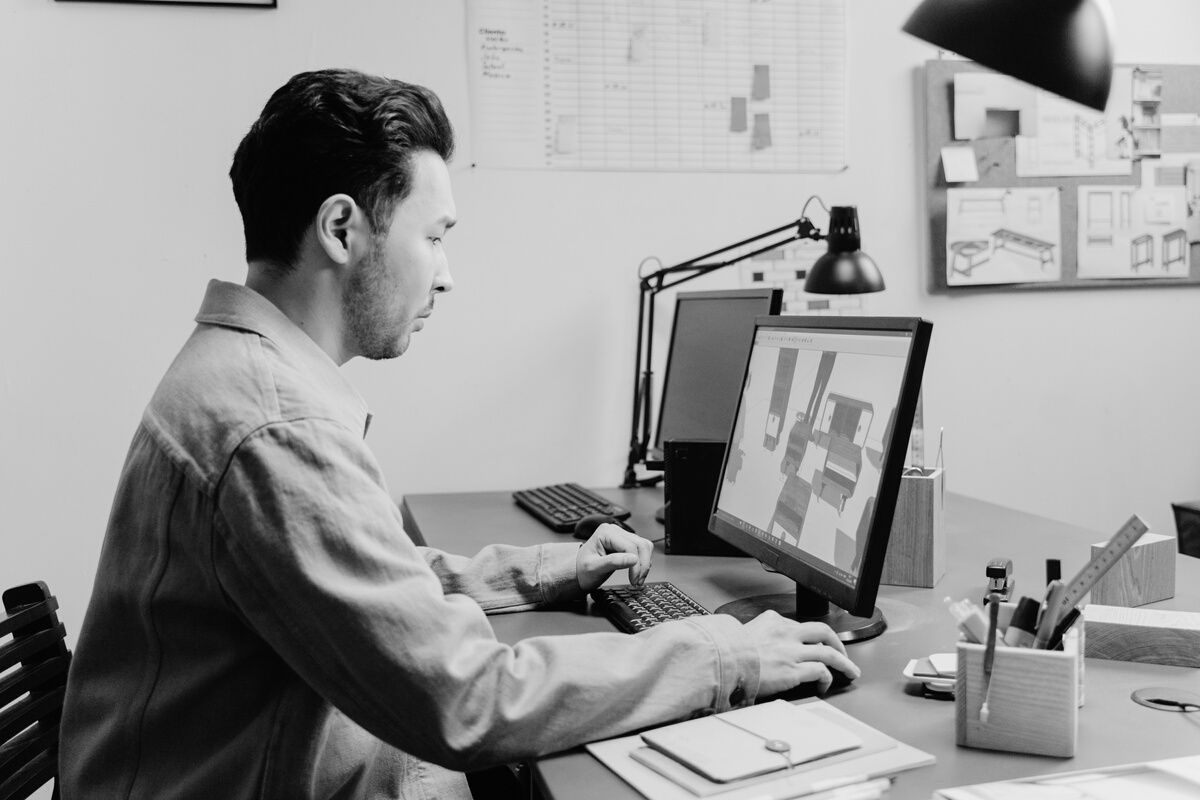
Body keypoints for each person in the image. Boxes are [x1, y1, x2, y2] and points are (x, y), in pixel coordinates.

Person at [59, 68, 859, 800]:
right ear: (341, 229)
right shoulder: (273, 424)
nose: (446, 273)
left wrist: (546, 572)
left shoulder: (243, 373)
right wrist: (725, 656)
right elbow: (465, 700)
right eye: (434, 235)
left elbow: (371, 581)